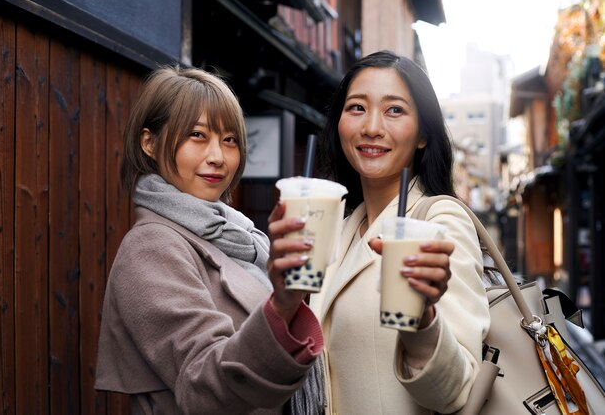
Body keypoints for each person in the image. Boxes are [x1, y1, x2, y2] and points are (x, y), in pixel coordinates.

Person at [94, 65, 324, 414]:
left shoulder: (242, 236)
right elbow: (205, 387)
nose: (218, 156)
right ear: (150, 143)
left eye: (229, 139)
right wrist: (282, 305)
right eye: (198, 135)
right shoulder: (152, 247)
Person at [308, 50, 491, 414]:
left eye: (395, 110)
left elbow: (456, 392)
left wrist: (422, 321)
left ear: (422, 135)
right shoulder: (338, 230)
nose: (372, 127)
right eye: (357, 107)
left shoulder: (440, 221)